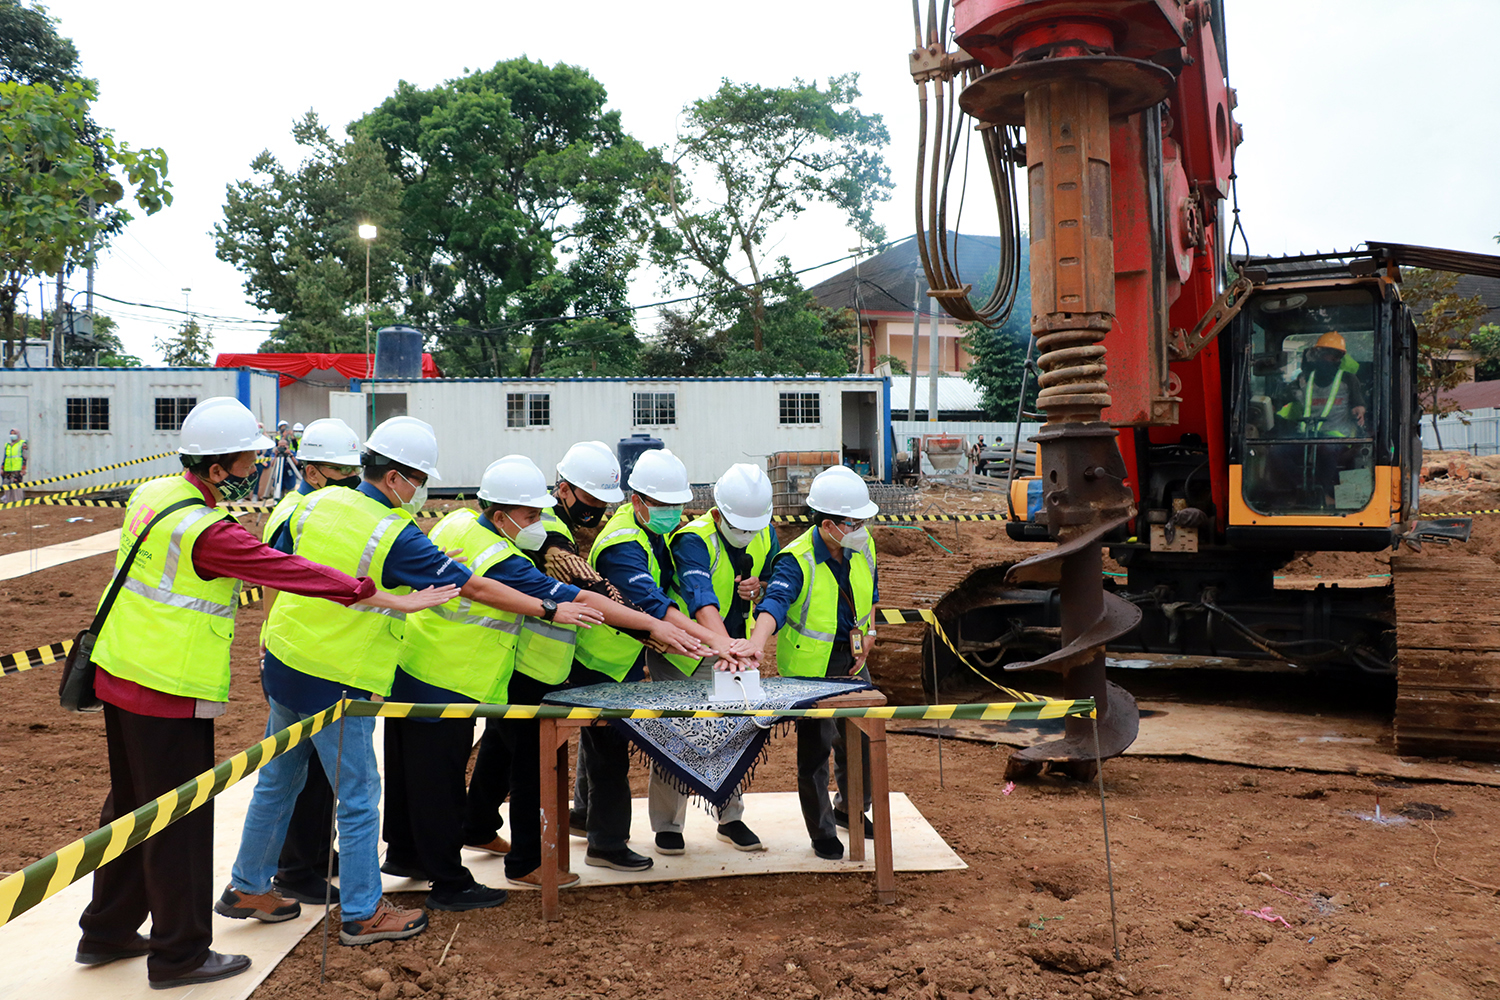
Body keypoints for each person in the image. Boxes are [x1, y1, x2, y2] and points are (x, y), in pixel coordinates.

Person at [73, 397, 452, 991]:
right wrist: (377, 594)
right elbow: (287, 570)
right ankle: (180, 956)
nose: (260, 461)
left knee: (132, 810)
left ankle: (109, 929)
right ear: (222, 465)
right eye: (251, 453)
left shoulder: (154, 494)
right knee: (179, 825)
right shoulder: (204, 529)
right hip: (168, 686)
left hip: (119, 671)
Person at [222, 417, 601, 942]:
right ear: (397, 477)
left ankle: (246, 883)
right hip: (337, 675)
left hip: (285, 659)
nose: (420, 489)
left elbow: (283, 566)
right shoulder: (392, 531)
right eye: (418, 478)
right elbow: (473, 587)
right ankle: (361, 913)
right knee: (357, 796)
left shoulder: (314, 503)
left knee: (279, 779)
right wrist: (548, 608)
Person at [391, 455, 700, 893]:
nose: (596, 510)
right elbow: (570, 590)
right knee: (526, 766)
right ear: (563, 490)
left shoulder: (461, 522)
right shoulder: (524, 547)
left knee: (488, 752)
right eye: (530, 514)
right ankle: (521, 864)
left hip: (464, 665)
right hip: (469, 671)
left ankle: (460, 833)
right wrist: (653, 625)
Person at [572, 449, 749, 872]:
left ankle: (584, 815)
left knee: (596, 742)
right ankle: (606, 843)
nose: (673, 513)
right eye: (664, 505)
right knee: (609, 752)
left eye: (677, 505)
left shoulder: (650, 530)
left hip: (623, 654)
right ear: (637, 501)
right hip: (603, 659)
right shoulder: (621, 545)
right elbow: (652, 604)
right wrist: (716, 640)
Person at [745, 465, 879, 861]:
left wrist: (868, 634)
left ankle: (851, 808)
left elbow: (871, 591)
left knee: (862, 739)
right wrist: (756, 642)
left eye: (861, 521)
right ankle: (821, 831)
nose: (860, 528)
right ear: (826, 524)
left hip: (852, 658)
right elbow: (775, 603)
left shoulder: (862, 544)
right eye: (852, 522)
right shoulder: (795, 559)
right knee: (816, 751)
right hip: (809, 667)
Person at [256, 418, 365, 906]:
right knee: (303, 775)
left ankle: (317, 851)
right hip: (300, 653)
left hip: (319, 651)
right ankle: (297, 868)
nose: (348, 477)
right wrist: (267, 640)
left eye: (351, 468)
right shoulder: (296, 510)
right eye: (338, 469)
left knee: (314, 772)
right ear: (311, 470)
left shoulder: (323, 504)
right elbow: (271, 581)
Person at [650, 463, 780, 855]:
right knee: (677, 733)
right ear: (718, 513)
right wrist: (730, 651)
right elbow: (701, 600)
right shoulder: (692, 540)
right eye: (738, 524)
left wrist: (759, 590)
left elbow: (770, 580)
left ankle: (730, 815)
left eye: (753, 526)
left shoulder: (765, 531)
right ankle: (668, 824)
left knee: (735, 730)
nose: (747, 533)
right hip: (685, 649)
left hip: (731, 647)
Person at [3, 428, 26, 503]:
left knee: (17, 486)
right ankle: (8, 501)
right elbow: (5, 457)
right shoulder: (7, 445)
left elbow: (25, 457)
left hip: (17, 469)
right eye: (11, 434)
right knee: (7, 486)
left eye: (14, 434)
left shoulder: (22, 444)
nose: (12, 435)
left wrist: (23, 469)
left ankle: (18, 501)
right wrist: (2, 468)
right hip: (7, 469)